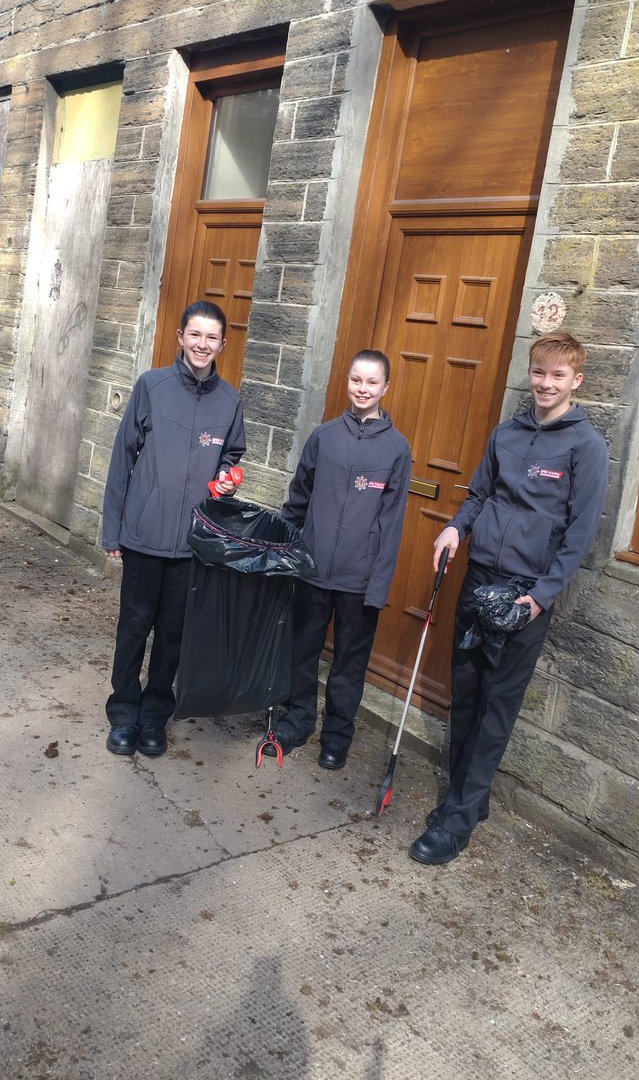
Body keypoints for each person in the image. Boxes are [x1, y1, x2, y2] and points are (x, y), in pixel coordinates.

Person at [409, 331, 609, 865]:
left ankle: (456, 822)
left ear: (576, 381)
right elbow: (479, 495)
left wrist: (541, 598)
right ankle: (465, 801)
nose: (545, 384)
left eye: (557, 376)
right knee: (466, 692)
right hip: (479, 580)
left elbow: (580, 534)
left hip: (523, 597)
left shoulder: (586, 447)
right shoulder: (507, 433)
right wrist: (455, 529)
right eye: (539, 373)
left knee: (497, 706)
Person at [102, 300, 245, 758]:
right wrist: (114, 530)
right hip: (144, 537)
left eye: (212, 338)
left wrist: (227, 477)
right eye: (195, 334)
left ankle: (154, 716)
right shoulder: (152, 386)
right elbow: (123, 458)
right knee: (133, 629)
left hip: (191, 546)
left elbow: (232, 455)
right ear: (181, 336)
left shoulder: (230, 401)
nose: (203, 344)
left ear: (223, 344)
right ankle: (124, 712)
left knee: (172, 636)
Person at [268, 350, 412, 770]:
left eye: (371, 383)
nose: (362, 389)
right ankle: (297, 722)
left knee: (349, 663)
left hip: (359, 580)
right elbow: (297, 501)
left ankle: (337, 735)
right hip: (312, 570)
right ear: (346, 382)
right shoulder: (324, 437)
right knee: (302, 651)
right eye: (356, 380)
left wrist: (379, 586)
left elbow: (391, 524)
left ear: (386, 387)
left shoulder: (397, 449)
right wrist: (282, 554)